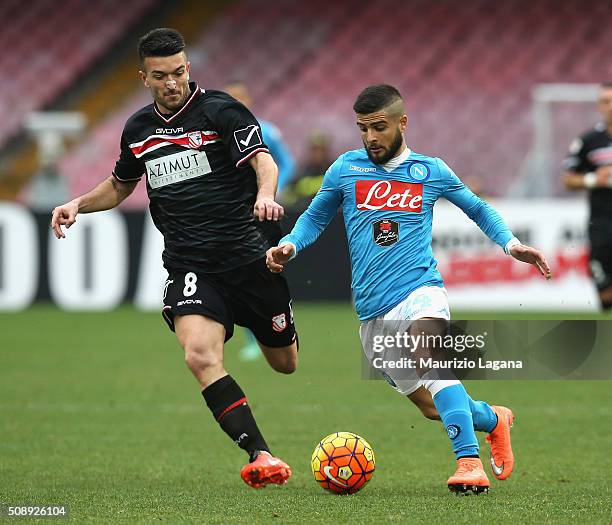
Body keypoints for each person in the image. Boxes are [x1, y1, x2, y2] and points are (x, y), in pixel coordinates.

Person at [267, 85, 552, 494]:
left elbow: (478, 208)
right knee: (432, 406)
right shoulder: (345, 169)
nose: (370, 138)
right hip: (371, 311)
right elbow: (314, 218)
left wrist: (511, 244)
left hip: (421, 291)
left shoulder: (430, 171)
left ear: (402, 122)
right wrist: (290, 246)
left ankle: (469, 464)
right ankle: (493, 419)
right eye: (363, 128)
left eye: (379, 127)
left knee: (433, 359)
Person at [50, 28, 296, 489]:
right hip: (190, 264)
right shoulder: (139, 129)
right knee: (200, 356)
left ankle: (246, 316)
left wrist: (266, 194)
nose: (173, 83)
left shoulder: (221, 110)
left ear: (188, 68)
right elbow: (122, 183)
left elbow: (264, 159)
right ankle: (260, 454)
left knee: (285, 364)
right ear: (144, 77)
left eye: (180, 72)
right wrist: (76, 204)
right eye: (161, 75)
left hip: (249, 257)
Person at [223, 79, 296, 361]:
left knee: (265, 267)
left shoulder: (265, 130)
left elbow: (286, 163)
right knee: (239, 271)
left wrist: (272, 191)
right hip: (234, 211)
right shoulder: (217, 132)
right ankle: (252, 335)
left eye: (241, 98)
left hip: (263, 210)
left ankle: (273, 327)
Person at [563, 82, 612, 310]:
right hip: (602, 224)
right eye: (605, 101)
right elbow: (568, 179)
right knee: (605, 297)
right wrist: (594, 179)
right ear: (599, 106)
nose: (610, 106)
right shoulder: (589, 141)